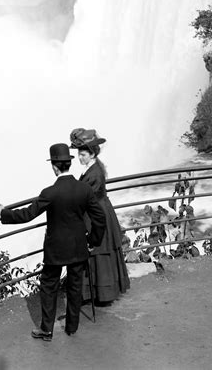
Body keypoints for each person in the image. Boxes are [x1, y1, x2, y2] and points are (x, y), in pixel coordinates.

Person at [0, 143, 106, 341]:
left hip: (56, 249)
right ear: (69, 164)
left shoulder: (49, 192)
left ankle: (46, 329)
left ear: (54, 166)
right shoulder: (84, 189)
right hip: (79, 245)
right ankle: (72, 327)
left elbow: (27, 215)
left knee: (48, 285)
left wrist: (4, 212)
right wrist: (93, 240)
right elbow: (100, 218)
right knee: (75, 285)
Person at [69, 128, 130, 304]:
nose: (80, 158)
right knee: (100, 251)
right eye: (79, 154)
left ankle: (103, 293)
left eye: (83, 155)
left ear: (91, 154)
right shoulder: (93, 167)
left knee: (99, 250)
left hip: (96, 214)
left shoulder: (94, 172)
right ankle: (99, 292)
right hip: (100, 210)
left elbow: (87, 197)